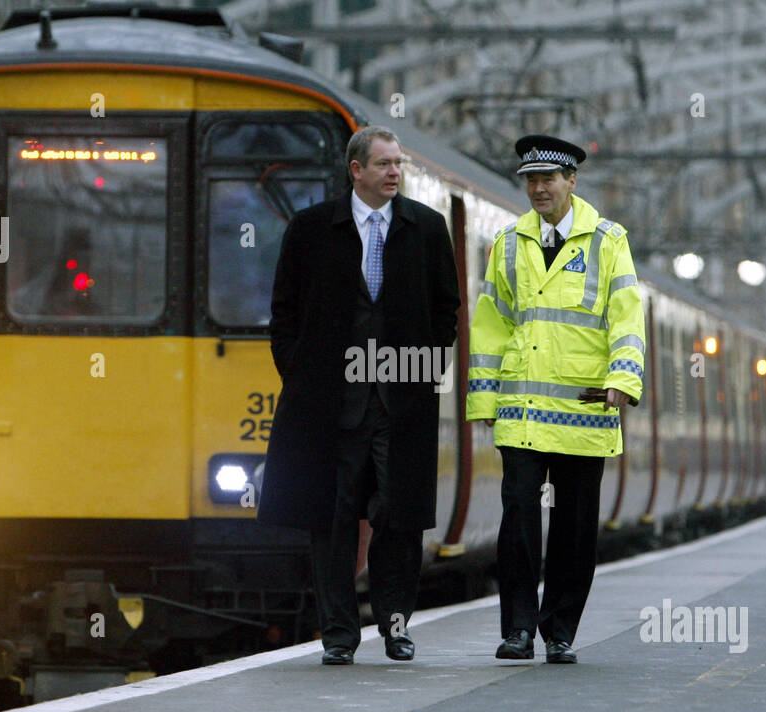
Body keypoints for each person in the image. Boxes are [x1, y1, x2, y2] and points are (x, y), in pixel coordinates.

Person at [258, 126, 460, 665]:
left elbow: (447, 312)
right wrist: (300, 377)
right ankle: (339, 636)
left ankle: (396, 629)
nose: (395, 172)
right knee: (332, 523)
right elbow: (284, 313)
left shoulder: (426, 229)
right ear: (357, 170)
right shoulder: (311, 230)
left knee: (398, 520)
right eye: (385, 164)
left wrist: (423, 372)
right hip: (329, 409)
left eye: (399, 164)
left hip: (402, 406)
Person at [466, 134, 646, 664]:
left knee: (574, 528)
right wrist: (483, 400)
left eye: (548, 179)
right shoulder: (507, 242)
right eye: (530, 180)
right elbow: (490, 325)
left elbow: (627, 318)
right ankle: (518, 629)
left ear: (572, 181)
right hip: (521, 410)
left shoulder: (609, 241)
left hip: (586, 408)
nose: (538, 188)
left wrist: (624, 379)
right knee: (518, 518)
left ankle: (560, 629)